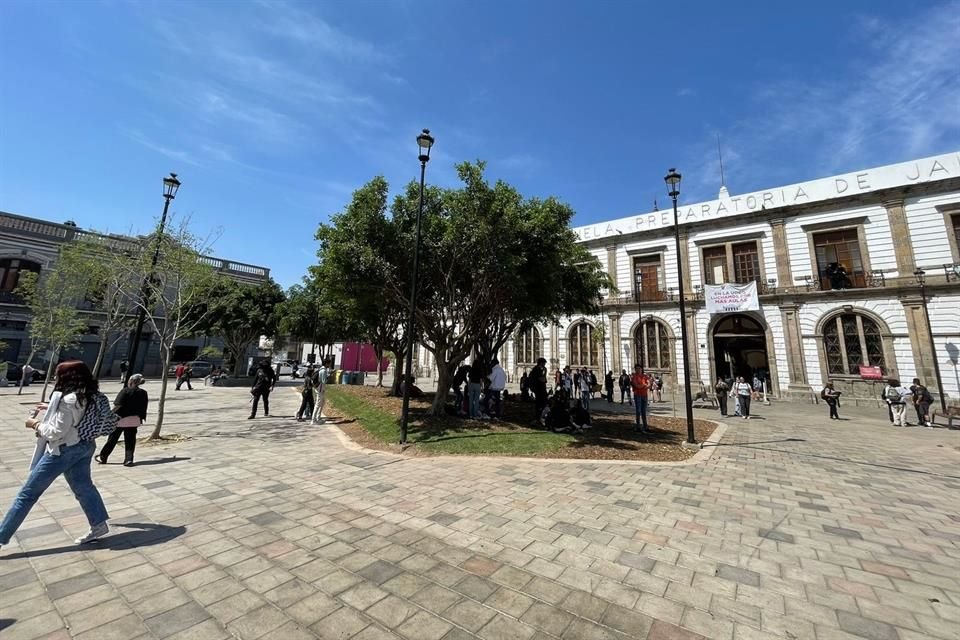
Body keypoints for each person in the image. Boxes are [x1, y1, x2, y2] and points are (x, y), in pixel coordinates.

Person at [1, 361, 111, 550]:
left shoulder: (68, 399)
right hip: (85, 445)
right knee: (84, 488)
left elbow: (55, 432)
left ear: (67, 377)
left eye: (57, 374)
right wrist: (50, 407)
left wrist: (34, 424)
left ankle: (1, 536)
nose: (54, 377)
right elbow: (78, 416)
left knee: (27, 495)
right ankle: (99, 524)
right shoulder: (91, 394)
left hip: (63, 450)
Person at [97, 374, 149, 467]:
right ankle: (128, 459)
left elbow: (118, 405)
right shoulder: (143, 393)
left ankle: (103, 456)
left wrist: (109, 415)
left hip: (121, 419)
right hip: (134, 419)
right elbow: (144, 406)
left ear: (131, 381)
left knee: (112, 439)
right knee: (130, 440)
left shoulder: (125, 391)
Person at [630, 364, 651, 433]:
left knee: (644, 411)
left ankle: (645, 426)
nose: (638, 370)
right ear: (635, 369)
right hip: (637, 395)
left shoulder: (644, 376)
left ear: (641, 369)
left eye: (639, 368)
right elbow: (637, 386)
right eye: (637, 368)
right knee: (638, 411)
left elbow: (649, 384)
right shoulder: (634, 377)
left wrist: (643, 385)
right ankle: (638, 427)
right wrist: (644, 385)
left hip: (644, 395)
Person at [530, 357, 549, 426]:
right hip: (538, 390)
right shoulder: (536, 370)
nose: (544, 365)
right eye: (544, 364)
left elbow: (544, 380)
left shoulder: (541, 370)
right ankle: (538, 419)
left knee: (542, 404)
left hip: (541, 389)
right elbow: (541, 379)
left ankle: (541, 418)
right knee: (539, 405)